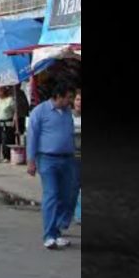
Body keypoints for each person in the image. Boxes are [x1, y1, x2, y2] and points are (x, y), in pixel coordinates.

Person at [27, 83, 77, 250]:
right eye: (69, 97)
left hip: (68, 159)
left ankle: (57, 231)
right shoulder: (39, 112)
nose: (71, 101)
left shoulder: (67, 113)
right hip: (47, 159)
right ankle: (49, 235)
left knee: (67, 195)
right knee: (52, 194)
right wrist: (31, 160)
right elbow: (32, 137)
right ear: (58, 96)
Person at [60, 89, 82, 230]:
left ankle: (79, 215)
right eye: (78, 99)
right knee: (71, 190)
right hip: (71, 157)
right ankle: (64, 220)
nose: (80, 103)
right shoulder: (66, 116)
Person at [0, 86, 17, 162]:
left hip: (7, 123)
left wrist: (15, 121)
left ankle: (7, 156)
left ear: (3, 91)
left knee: (6, 140)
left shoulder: (10, 100)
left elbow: (15, 112)